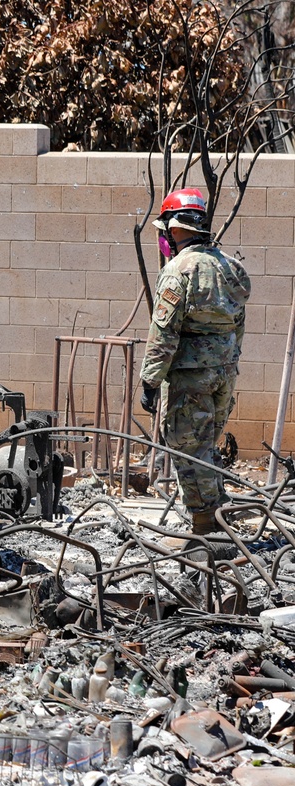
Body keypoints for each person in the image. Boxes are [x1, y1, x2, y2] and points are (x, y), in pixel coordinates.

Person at [139, 188, 250, 534]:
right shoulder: (229, 267)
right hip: (224, 375)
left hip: (191, 379)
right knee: (206, 448)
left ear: (173, 230)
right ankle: (217, 518)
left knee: (188, 450)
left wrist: (150, 381)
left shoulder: (178, 271)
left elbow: (164, 333)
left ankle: (206, 533)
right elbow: (238, 326)